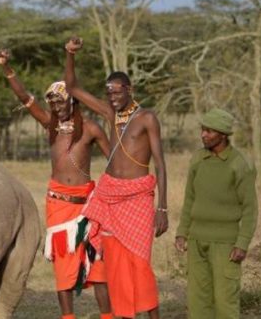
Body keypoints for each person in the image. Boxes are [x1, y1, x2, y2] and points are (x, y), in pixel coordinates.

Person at [0, 49, 112, 319]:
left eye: (61, 102)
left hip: (88, 205)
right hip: (59, 205)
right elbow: (25, 98)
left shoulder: (91, 129)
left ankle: (109, 316)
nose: (57, 107)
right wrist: (6, 67)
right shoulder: (50, 124)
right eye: (53, 104)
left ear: (72, 102)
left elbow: (114, 160)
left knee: (97, 264)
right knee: (64, 266)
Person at [64, 38, 168, 319]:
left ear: (129, 90)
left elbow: (160, 163)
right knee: (115, 264)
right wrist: (70, 54)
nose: (112, 98)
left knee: (139, 264)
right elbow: (72, 87)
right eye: (108, 93)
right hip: (109, 196)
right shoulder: (110, 114)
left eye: (117, 92)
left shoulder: (147, 118)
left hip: (137, 198)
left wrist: (163, 207)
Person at [175, 108, 257, 319]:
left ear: (223, 134)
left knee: (225, 302)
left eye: (209, 131)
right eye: (203, 129)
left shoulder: (239, 164)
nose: (203, 135)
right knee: (198, 301)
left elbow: (250, 208)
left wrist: (242, 243)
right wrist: (182, 232)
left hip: (225, 244)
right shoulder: (198, 159)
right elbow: (189, 198)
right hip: (196, 240)